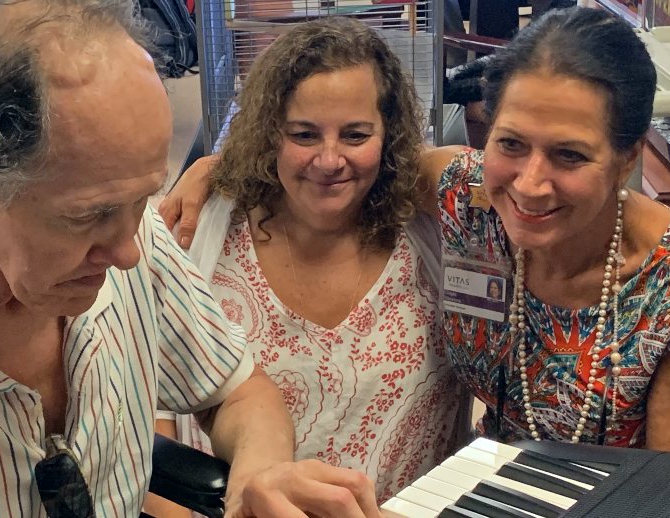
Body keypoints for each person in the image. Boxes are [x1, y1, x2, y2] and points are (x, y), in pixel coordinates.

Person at [0, 0, 384, 516]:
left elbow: (238, 392)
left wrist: (257, 476)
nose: (129, 253)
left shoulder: (122, 220)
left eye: (142, 200)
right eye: (85, 216)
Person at [160, 7, 670, 451]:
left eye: (569, 155)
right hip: (480, 489)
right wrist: (217, 171)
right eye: (511, 144)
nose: (529, 184)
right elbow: (355, 164)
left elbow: (666, 490)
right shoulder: (470, 196)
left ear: (627, 158)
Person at [152, 17, 464, 514]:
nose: (329, 159)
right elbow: (153, 406)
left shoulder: (429, 230)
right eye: (304, 134)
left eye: (356, 134)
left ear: (390, 135)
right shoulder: (206, 229)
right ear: (270, 132)